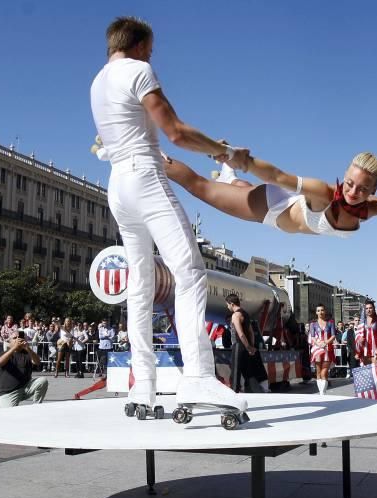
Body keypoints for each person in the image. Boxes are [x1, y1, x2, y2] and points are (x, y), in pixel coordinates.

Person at [90, 16, 248, 421]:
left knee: (140, 285)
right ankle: (197, 374)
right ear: (141, 45)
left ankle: (142, 385)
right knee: (191, 271)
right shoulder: (139, 70)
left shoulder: (97, 83)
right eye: (152, 49)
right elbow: (175, 131)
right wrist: (223, 151)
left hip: (117, 187)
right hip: (144, 177)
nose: (152, 56)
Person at [162, 152, 377, 239]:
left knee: (239, 187)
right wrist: (248, 161)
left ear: (373, 190)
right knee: (199, 187)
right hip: (271, 208)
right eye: (349, 183)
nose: (352, 192)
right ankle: (147, 154)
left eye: (362, 189)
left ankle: (229, 174)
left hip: (281, 210)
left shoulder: (371, 207)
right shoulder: (324, 193)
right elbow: (279, 176)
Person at [226, 294, 269, 393]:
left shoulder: (236, 315)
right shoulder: (245, 313)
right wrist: (251, 346)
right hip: (246, 346)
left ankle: (234, 393)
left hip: (238, 345)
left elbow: (240, 334)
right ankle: (257, 392)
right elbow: (251, 332)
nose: (227, 307)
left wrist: (248, 347)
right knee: (247, 372)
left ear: (232, 304)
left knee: (235, 371)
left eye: (227, 305)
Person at [0, 329, 48, 408]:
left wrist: (28, 348)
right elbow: (0, 363)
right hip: (10, 392)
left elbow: (37, 362)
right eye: (14, 338)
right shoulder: (7, 352)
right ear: (9, 341)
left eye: (20, 337)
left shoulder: (27, 352)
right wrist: (14, 348)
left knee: (42, 381)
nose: (18, 339)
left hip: (26, 387)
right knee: (7, 416)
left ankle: (36, 407)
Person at [308, 304, 336, 395]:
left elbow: (333, 335)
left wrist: (326, 342)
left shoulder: (330, 322)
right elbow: (312, 337)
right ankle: (321, 392)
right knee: (318, 372)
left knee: (324, 372)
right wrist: (318, 343)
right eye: (319, 310)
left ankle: (323, 392)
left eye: (322, 310)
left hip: (328, 349)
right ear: (316, 312)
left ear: (325, 311)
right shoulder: (313, 324)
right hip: (317, 349)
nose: (321, 312)